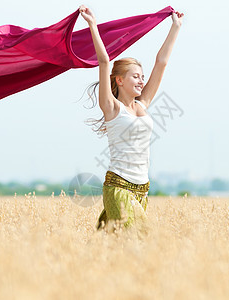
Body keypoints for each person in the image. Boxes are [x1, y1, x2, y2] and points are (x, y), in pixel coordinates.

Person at [79, 5, 183, 230]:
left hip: (142, 189)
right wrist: (92, 26)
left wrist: (175, 28)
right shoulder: (111, 107)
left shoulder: (142, 105)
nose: (141, 81)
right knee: (143, 238)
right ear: (119, 81)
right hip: (119, 187)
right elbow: (105, 61)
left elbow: (161, 63)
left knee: (118, 248)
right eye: (135, 76)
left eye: (142, 77)